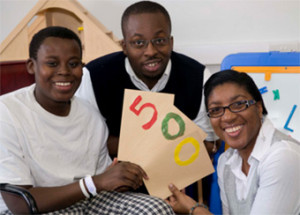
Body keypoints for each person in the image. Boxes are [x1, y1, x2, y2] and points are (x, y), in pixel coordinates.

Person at [0, 26, 175, 215]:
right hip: (35, 209)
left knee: (157, 209)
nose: (64, 71)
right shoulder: (7, 112)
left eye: (74, 64)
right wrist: (96, 182)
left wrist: (120, 178)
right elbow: (20, 204)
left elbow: (99, 183)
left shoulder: (90, 115)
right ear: (31, 66)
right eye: (52, 63)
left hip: (87, 200)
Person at [76, 0, 219, 159]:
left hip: (183, 178)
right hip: (115, 177)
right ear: (124, 46)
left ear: (171, 42)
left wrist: (130, 145)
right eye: (138, 43)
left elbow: (209, 144)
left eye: (159, 41)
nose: (150, 51)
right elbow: (87, 144)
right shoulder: (94, 76)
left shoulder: (197, 77)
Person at [166, 69, 300, 214]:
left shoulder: (283, 156)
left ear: (259, 107)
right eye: (216, 110)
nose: (227, 117)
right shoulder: (226, 162)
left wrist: (195, 210)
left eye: (238, 104)